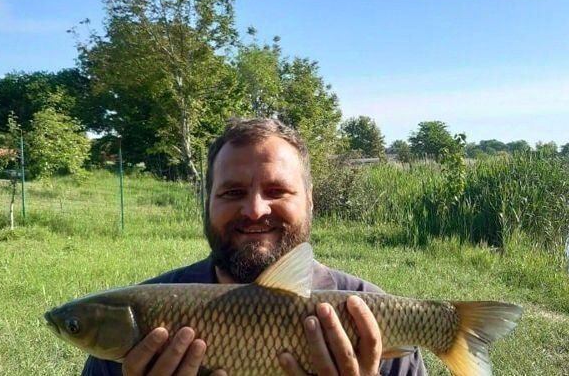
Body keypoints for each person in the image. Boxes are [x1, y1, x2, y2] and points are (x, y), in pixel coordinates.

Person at [82, 118, 427, 376]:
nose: (255, 210)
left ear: (310, 202)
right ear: (207, 204)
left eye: (277, 191)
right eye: (232, 193)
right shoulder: (136, 330)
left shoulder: (370, 319)